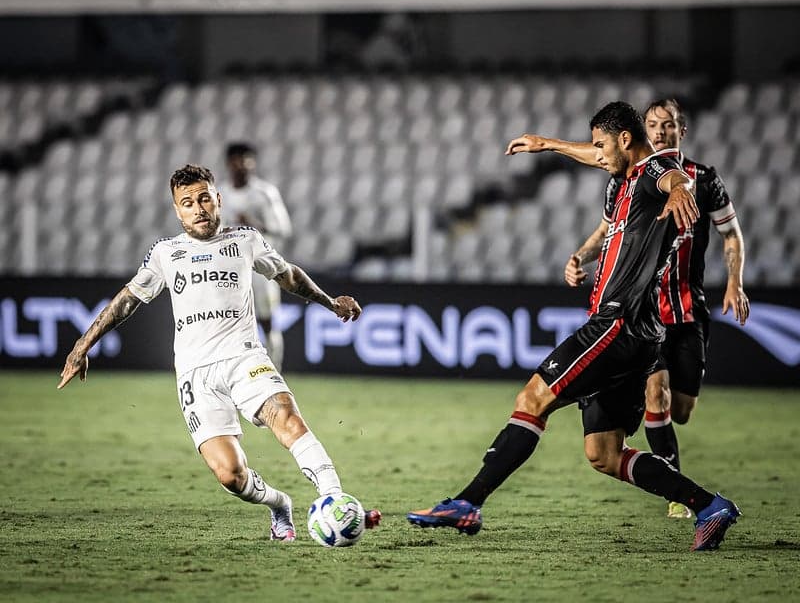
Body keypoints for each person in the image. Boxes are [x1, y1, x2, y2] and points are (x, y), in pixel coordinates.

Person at [407, 102, 740, 551]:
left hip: (616, 325)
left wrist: (681, 189)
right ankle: (708, 506)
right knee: (603, 454)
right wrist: (548, 144)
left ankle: (467, 503)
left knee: (533, 398)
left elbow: (669, 175)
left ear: (626, 139)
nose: (598, 155)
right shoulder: (625, 177)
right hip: (643, 335)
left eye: (604, 144)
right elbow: (597, 155)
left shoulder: (654, 172)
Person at [58, 164, 379, 541]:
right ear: (178, 211)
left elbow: (287, 274)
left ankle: (334, 498)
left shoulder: (245, 240)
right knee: (230, 474)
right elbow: (128, 299)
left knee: (289, 420)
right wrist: (82, 346)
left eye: (205, 198)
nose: (199, 208)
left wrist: (330, 302)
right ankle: (279, 504)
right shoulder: (166, 253)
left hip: (245, 359)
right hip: (196, 375)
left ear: (218, 199)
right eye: (188, 203)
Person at [504, 98, 749, 519]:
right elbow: (604, 203)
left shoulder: (699, 179)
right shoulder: (625, 178)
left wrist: (734, 281)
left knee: (682, 409)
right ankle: (682, 495)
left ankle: (691, 494)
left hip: (687, 310)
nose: (659, 131)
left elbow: (728, 232)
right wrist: (546, 144)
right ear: (642, 131)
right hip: (642, 314)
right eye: (652, 124)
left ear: (681, 131)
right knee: (656, 393)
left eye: (667, 124)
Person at [224, 143, 293, 371]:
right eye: (236, 160)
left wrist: (252, 224)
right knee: (230, 324)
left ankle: (276, 374)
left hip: (259, 267)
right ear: (228, 163)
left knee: (267, 322)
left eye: (246, 159)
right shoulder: (220, 194)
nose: (241, 165)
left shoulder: (264, 193)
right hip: (229, 269)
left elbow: (282, 229)